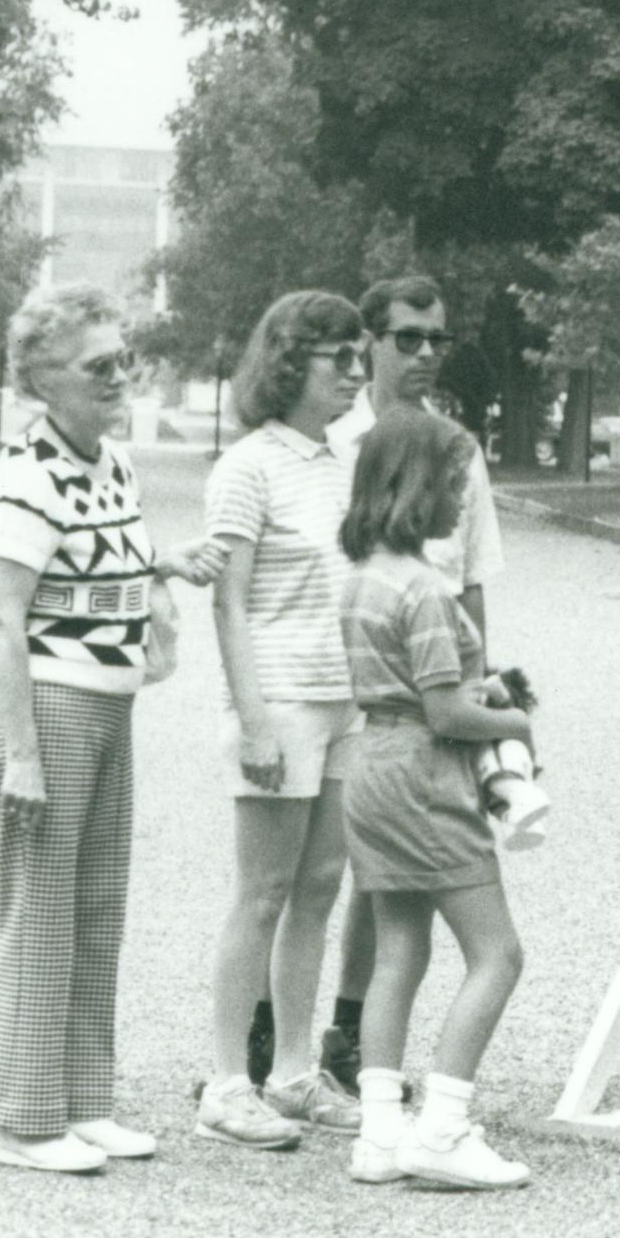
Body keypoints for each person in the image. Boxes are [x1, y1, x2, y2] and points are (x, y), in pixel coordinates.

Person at [0, 283, 216, 1171]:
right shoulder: (21, 477)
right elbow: (3, 620)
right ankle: (22, 1122)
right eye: (99, 366)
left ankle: (82, 1100)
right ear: (42, 379)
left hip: (108, 704)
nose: (121, 378)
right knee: (42, 910)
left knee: (96, 905)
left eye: (125, 360)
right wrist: (23, 757)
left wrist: (168, 562)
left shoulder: (109, 465)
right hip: (41, 706)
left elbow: (109, 559)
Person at [293, 275, 506, 1092]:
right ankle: (271, 1043)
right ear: (370, 343)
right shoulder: (330, 439)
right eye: (406, 338)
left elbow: (474, 580)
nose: (423, 354)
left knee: (388, 883)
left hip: (430, 690)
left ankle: (348, 1041)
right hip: (337, 675)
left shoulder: (457, 449)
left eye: (436, 340)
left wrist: (484, 707)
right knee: (309, 876)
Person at [335, 407, 537, 1189]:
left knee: (398, 953)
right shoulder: (424, 588)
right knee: (497, 954)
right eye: (455, 482)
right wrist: (515, 716)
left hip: (372, 770)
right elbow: (445, 713)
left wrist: (464, 687)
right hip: (427, 775)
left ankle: (380, 1132)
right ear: (418, 486)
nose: (463, 498)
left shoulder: (362, 580)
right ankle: (444, 1126)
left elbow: (406, 687)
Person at [196, 290, 370, 1151]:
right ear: (288, 362)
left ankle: (296, 1073)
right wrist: (253, 720)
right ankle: (229, 1082)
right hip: (280, 701)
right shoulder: (247, 467)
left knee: (319, 888)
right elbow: (227, 606)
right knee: (262, 891)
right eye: (336, 355)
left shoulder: (345, 462)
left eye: (356, 354)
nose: (353, 371)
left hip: (346, 703)